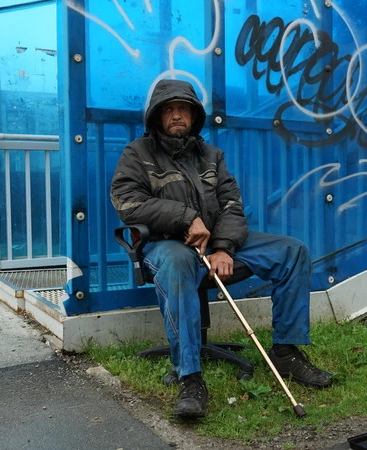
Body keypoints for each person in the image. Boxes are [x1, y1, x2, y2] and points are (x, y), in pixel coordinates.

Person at [110, 79, 332, 419]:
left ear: (194, 114)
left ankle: (286, 353)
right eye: (168, 109)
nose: (176, 115)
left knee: (293, 251)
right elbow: (128, 203)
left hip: (217, 244)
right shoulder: (137, 155)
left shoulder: (212, 155)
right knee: (179, 263)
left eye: (183, 108)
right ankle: (190, 378)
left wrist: (224, 248)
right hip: (165, 246)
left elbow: (231, 205)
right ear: (156, 117)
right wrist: (185, 218)